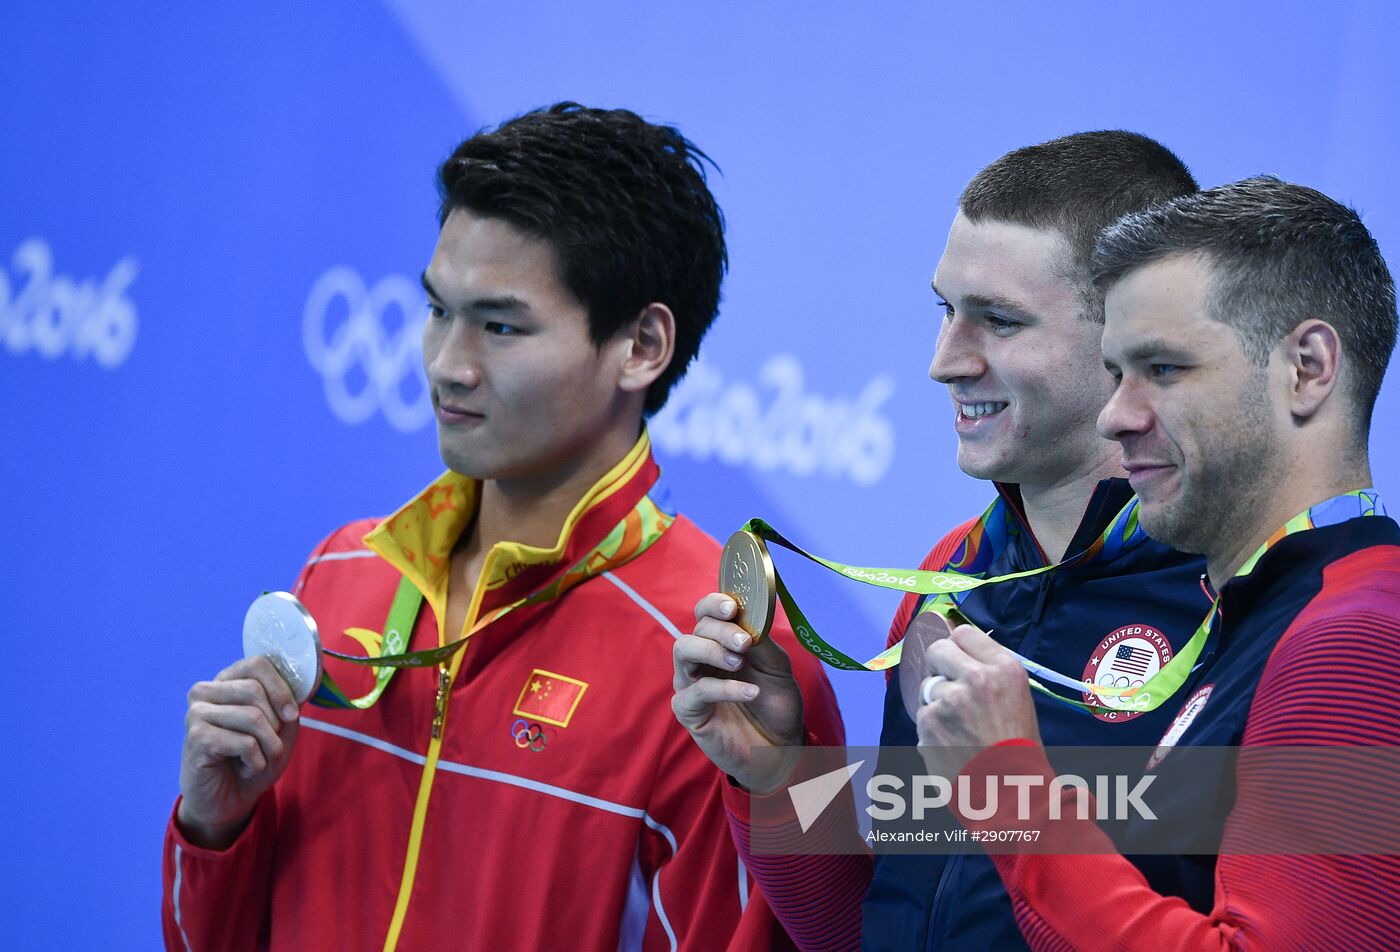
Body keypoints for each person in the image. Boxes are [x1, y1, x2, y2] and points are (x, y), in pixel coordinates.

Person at [161, 103, 843, 952]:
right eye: (438, 310)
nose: (449, 362)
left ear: (641, 346)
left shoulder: (724, 661)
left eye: (500, 325)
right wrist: (214, 828)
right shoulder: (341, 573)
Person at [673, 131, 1206, 949]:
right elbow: (869, 929)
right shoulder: (949, 582)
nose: (944, 361)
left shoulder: (1233, 605)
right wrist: (779, 777)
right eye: (945, 310)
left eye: (998, 321)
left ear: (1129, 334)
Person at [915, 175, 1400, 948]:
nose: (1118, 415)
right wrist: (773, 775)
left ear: (1307, 369)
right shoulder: (1249, 613)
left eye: (1163, 370)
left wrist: (1009, 795)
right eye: (1116, 373)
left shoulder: (1357, 642)